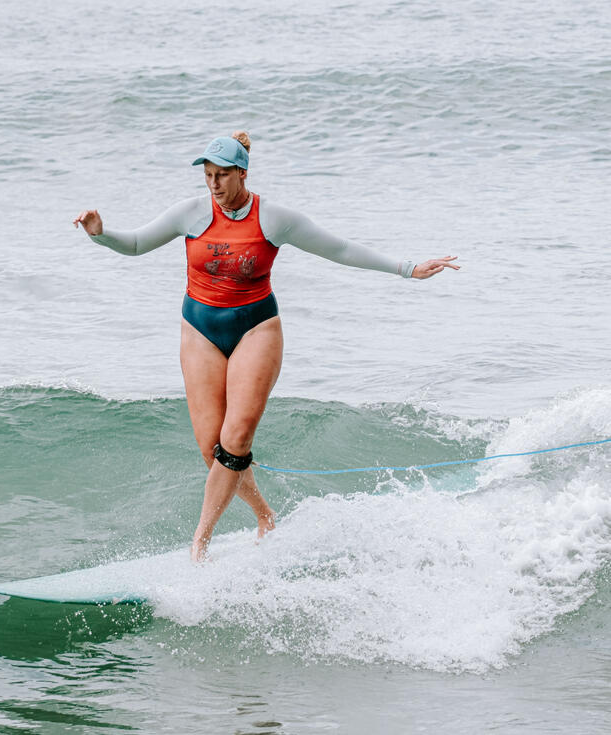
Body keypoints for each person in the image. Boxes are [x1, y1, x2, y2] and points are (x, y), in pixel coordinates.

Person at [74, 131, 459, 561]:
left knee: (236, 437)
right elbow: (135, 244)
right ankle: (265, 515)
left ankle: (200, 540)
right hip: (199, 331)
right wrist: (100, 234)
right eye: (207, 175)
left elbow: (340, 249)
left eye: (222, 175)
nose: (214, 184)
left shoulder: (273, 218)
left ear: (242, 173)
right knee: (212, 449)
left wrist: (408, 268)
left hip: (256, 329)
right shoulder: (190, 213)